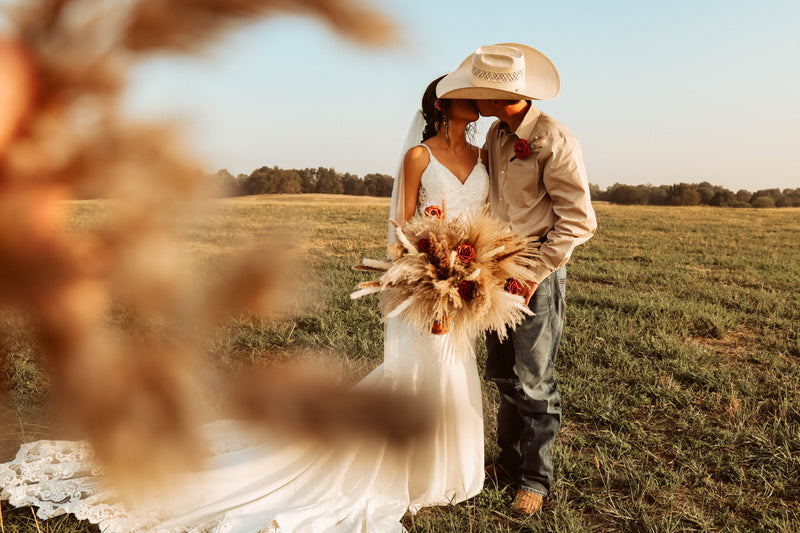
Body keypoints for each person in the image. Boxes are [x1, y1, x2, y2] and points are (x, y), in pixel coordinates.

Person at [0, 76, 489, 533]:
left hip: (468, 281)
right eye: (465, 92)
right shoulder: (419, 157)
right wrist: (427, 277)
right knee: (424, 369)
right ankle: (411, 466)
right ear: (442, 103)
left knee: (455, 367)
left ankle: (449, 469)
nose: (476, 98)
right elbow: (401, 231)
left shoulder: (485, 154)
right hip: (428, 283)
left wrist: (474, 270)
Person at [437, 43, 597, 515]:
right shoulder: (496, 136)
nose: (473, 103)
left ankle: (535, 479)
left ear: (497, 95)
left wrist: (533, 273)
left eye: (477, 94)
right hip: (494, 270)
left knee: (534, 378)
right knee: (504, 374)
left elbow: (579, 221)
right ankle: (506, 465)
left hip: (536, 275)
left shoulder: (554, 139)